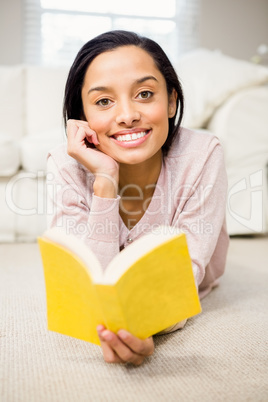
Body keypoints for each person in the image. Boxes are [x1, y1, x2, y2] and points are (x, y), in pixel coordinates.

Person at [47, 30, 229, 366]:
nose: (127, 114)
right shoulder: (64, 164)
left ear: (172, 100)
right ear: (82, 116)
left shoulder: (202, 155)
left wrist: (146, 325)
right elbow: (86, 291)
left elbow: (182, 282)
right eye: (104, 101)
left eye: (145, 94)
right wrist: (105, 180)